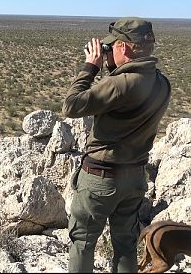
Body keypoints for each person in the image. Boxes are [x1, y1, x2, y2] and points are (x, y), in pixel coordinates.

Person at [62, 17, 171, 273]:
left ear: (124, 47)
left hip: (101, 179)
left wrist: (91, 66)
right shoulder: (162, 83)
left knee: (82, 242)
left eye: (112, 47)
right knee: (124, 244)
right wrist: (113, 68)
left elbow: (71, 105)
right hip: (134, 178)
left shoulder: (118, 85)